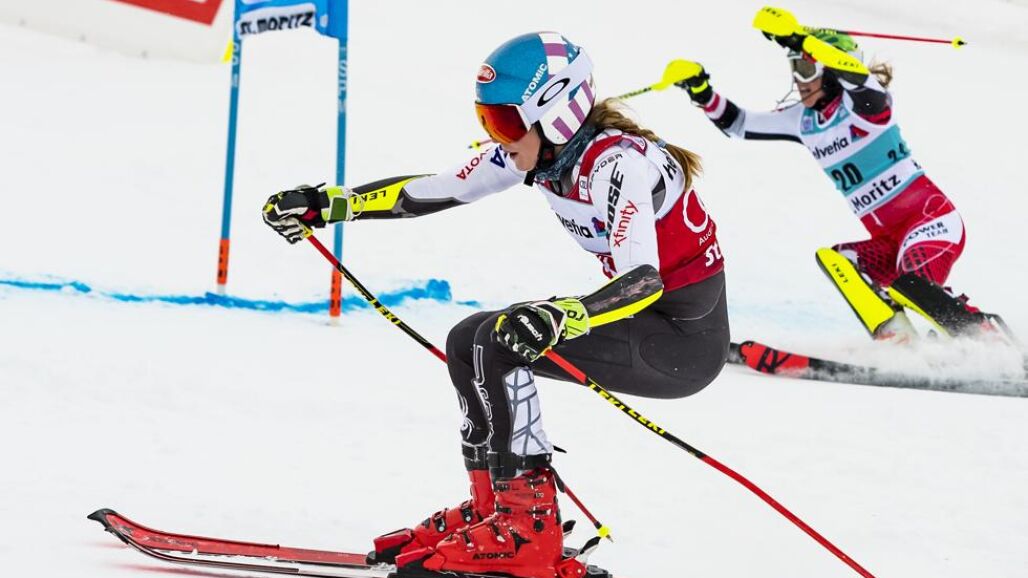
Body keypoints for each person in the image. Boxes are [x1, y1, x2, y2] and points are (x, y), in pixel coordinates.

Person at [262, 31, 729, 578]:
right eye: (487, 121)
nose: (495, 138)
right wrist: (331, 204)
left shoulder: (617, 164)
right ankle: (496, 509)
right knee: (467, 338)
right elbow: (437, 190)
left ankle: (529, 530)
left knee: (501, 341)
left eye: (505, 122)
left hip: (679, 343)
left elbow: (643, 281)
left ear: (557, 115)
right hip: (637, 318)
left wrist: (562, 314)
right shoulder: (544, 156)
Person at [674, 6, 991, 341]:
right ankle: (899, 339)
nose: (799, 80)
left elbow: (858, 78)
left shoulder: (868, 106)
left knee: (912, 283)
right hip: (889, 241)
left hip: (930, 221)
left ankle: (986, 339)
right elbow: (739, 124)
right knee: (840, 261)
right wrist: (702, 92)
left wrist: (801, 41)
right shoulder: (803, 120)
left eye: (807, 68)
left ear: (831, 71)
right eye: (795, 68)